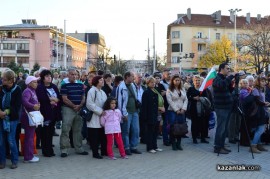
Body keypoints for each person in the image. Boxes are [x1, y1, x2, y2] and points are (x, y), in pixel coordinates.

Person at [60, 68, 88, 158]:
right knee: (65, 130)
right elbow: (64, 98)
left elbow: (83, 97)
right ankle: (64, 149)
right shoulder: (64, 85)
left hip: (78, 109)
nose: (74, 76)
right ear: (68, 75)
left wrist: (79, 106)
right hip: (68, 109)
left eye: (75, 74)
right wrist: (74, 106)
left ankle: (79, 148)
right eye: (72, 74)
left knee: (78, 130)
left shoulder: (80, 85)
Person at [36, 70, 61, 157]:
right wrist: (51, 100)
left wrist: (54, 99)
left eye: (50, 76)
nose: (49, 77)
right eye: (47, 76)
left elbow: (58, 97)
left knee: (50, 132)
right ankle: (46, 151)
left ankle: (50, 149)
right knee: (45, 133)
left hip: (53, 113)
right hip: (45, 113)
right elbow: (42, 99)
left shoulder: (53, 86)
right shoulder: (40, 87)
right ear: (43, 78)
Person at [0, 70, 22, 169]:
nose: (2, 80)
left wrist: (6, 112)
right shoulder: (1, 89)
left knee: (11, 140)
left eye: (4, 79)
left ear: (10, 80)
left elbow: (17, 106)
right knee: (1, 141)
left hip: (12, 119)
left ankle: (14, 160)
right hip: (1, 117)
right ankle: (2, 161)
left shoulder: (17, 89)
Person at [116, 71, 141, 155]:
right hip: (126, 112)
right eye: (132, 76)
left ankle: (133, 146)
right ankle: (126, 147)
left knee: (136, 130)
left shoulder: (133, 85)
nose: (133, 78)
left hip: (134, 111)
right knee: (126, 131)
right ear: (127, 77)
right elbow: (119, 101)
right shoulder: (121, 87)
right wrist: (123, 114)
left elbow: (136, 97)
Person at [212, 63, 234, 154]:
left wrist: (233, 83)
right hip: (221, 107)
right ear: (221, 69)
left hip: (227, 106)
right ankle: (217, 147)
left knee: (225, 128)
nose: (229, 70)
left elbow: (229, 90)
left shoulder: (224, 79)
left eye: (229, 69)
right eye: (227, 68)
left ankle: (222, 145)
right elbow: (221, 85)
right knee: (221, 128)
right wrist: (230, 77)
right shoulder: (217, 78)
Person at [141, 77, 165, 153]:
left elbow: (159, 101)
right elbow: (145, 105)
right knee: (150, 132)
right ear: (148, 83)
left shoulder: (155, 91)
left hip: (157, 114)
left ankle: (155, 146)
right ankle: (150, 147)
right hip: (150, 114)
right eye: (151, 82)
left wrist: (161, 108)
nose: (153, 84)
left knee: (156, 131)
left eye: (154, 82)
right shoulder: (146, 92)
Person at [86, 75, 107, 159]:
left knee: (102, 136)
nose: (103, 81)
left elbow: (106, 103)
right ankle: (95, 153)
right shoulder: (92, 91)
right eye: (101, 80)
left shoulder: (102, 92)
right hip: (94, 117)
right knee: (94, 137)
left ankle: (104, 151)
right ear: (97, 82)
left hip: (102, 118)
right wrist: (100, 111)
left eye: (103, 80)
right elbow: (89, 104)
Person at [21, 75, 40, 163]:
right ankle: (28, 157)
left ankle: (30, 154)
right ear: (29, 83)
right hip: (28, 117)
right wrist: (34, 106)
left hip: (32, 116)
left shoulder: (32, 91)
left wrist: (37, 105)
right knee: (29, 137)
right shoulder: (27, 91)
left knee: (31, 137)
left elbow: (33, 101)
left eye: (36, 82)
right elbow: (24, 102)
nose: (37, 83)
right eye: (35, 82)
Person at [166, 74, 188, 150]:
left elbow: (186, 99)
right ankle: (173, 143)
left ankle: (179, 143)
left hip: (182, 111)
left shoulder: (182, 89)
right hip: (172, 111)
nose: (177, 82)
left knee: (181, 127)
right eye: (176, 80)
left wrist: (183, 109)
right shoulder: (169, 90)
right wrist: (176, 110)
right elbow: (170, 101)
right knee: (173, 127)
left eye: (179, 80)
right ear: (172, 81)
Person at [187, 75, 210, 144]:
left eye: (198, 80)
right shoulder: (191, 89)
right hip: (194, 109)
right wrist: (193, 98)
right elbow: (187, 97)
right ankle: (194, 138)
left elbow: (207, 98)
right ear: (193, 82)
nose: (197, 82)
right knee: (194, 124)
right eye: (196, 80)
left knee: (203, 124)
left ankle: (203, 138)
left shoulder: (203, 89)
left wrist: (201, 98)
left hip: (202, 109)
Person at [249, 77, 269, 153]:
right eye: (262, 81)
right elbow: (257, 101)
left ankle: (259, 144)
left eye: (265, 81)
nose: (264, 82)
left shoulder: (261, 89)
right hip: (258, 112)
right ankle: (253, 146)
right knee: (260, 129)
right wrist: (264, 103)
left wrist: (265, 103)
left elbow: (261, 100)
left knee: (259, 129)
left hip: (262, 111)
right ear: (258, 82)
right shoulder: (255, 90)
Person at [160, 69, 171, 146]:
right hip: (166, 106)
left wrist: (167, 91)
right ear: (164, 75)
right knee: (166, 123)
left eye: (170, 73)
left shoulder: (172, 83)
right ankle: (165, 140)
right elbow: (162, 94)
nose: (169, 75)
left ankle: (171, 139)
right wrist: (169, 91)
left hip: (173, 106)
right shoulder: (161, 84)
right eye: (168, 74)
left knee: (172, 123)